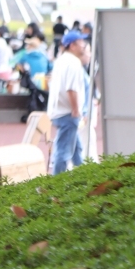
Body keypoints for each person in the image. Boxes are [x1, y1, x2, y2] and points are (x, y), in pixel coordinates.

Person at [48, 31, 87, 174]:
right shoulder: (74, 63)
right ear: (73, 45)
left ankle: (83, 176)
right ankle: (56, 183)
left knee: (76, 149)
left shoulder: (60, 60)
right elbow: (71, 89)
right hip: (68, 112)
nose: (83, 46)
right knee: (64, 151)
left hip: (59, 111)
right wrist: (76, 110)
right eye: (81, 43)